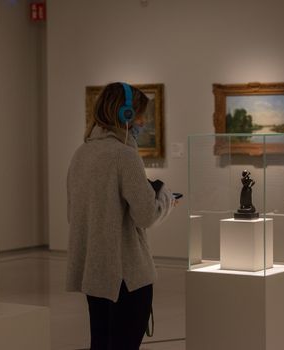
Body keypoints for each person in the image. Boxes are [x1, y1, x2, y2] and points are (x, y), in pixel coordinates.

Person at [66, 82, 175, 350]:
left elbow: (75, 213)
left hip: (95, 274)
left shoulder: (81, 153)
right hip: (126, 277)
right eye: (140, 115)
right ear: (125, 114)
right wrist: (166, 200)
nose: (142, 122)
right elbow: (147, 216)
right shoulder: (124, 155)